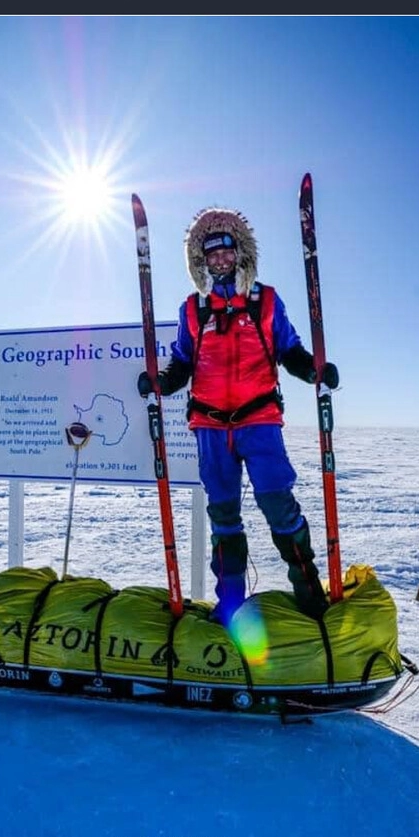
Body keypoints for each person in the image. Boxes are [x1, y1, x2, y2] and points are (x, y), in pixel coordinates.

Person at [137, 206, 339, 626]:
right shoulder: (193, 310)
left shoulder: (265, 301)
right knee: (223, 513)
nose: (220, 260)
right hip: (210, 426)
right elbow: (181, 364)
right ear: (201, 260)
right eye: (211, 254)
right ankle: (229, 602)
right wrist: (159, 384)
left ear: (241, 254)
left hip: (259, 420)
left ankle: (308, 589)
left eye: (227, 252)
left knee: (277, 503)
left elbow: (289, 349)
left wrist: (314, 371)